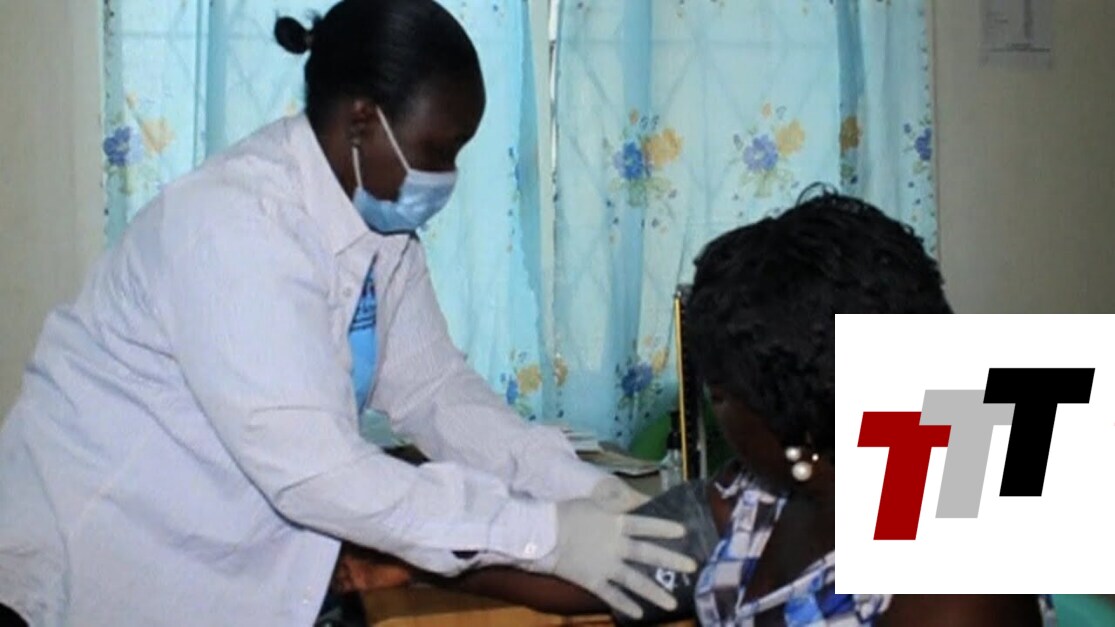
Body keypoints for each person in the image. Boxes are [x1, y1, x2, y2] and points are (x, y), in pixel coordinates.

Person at [0, 1, 694, 625]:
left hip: (212, 565)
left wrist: (581, 488)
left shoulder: (379, 228)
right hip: (92, 562)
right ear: (362, 120)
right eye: (437, 150)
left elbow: (435, 391)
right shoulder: (233, 227)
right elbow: (319, 472)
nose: (446, 176)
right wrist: (547, 534)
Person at [332, 189, 1058, 626]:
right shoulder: (762, 494)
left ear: (788, 415)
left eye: (720, 392)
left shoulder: (959, 570)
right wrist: (423, 561)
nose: (712, 409)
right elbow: (615, 562)